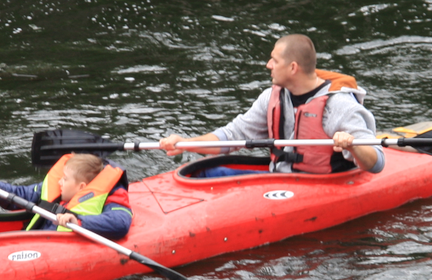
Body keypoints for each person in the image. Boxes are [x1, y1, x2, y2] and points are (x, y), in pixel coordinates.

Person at [158, 33, 384, 176]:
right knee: (208, 173)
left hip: (322, 185)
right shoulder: (271, 97)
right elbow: (233, 135)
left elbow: (377, 162)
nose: (268, 65)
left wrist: (353, 146)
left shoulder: (338, 106)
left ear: (293, 67)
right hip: (279, 180)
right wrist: (186, 144)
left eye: (274, 60)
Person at [0, 152, 132, 239]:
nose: (60, 182)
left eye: (65, 179)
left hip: (63, 248)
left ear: (81, 187)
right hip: (35, 242)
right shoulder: (56, 189)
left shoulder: (112, 197)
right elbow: (19, 196)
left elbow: (120, 222)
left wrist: (78, 221)